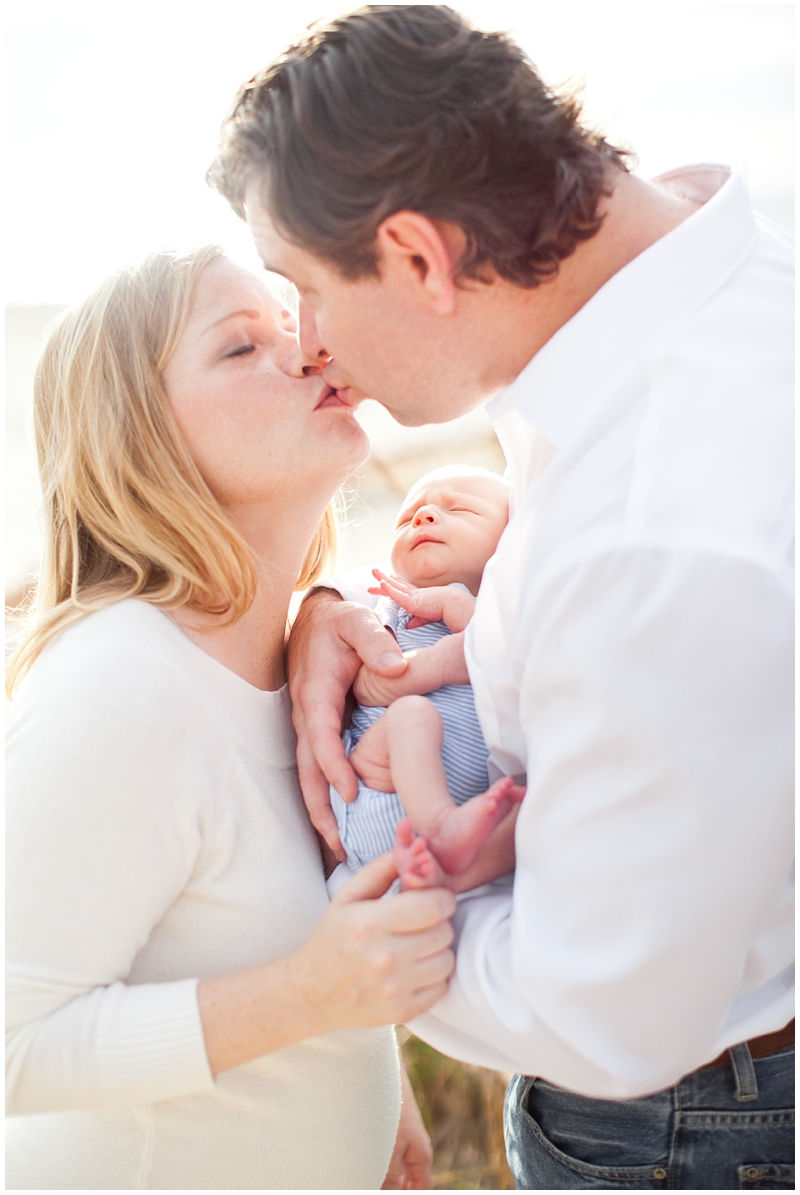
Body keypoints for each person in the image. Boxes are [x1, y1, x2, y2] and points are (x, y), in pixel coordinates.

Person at [209, 5, 794, 1188]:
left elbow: (605, 1017)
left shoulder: (657, 539)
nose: (310, 345)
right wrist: (334, 608)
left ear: (421, 257)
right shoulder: (712, 288)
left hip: (680, 1133)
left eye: (306, 289)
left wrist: (326, 931)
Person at [5, 245, 455, 1190]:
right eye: (242, 346)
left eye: (292, 325)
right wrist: (310, 997)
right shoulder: (118, 683)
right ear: (141, 438)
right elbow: (13, 1044)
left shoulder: (283, 664)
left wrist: (369, 1077)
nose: (310, 352)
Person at [329, 465, 525, 891]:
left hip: (478, 814)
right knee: (410, 715)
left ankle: (448, 874)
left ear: (512, 540)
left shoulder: (506, 613)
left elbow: (518, 664)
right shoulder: (391, 611)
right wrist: (439, 663)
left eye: (460, 509)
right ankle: (440, 824)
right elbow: (366, 685)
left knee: (533, 812)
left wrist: (463, 614)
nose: (424, 517)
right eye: (408, 517)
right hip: (382, 786)